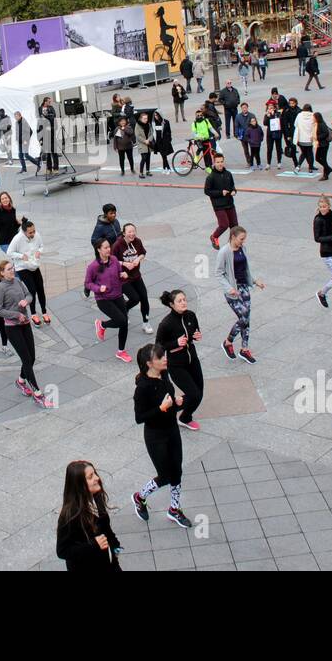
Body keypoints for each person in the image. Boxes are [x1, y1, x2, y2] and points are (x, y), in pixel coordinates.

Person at [131, 342, 192, 528]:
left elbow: (169, 402)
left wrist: (177, 402)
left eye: (164, 355)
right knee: (165, 475)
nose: (165, 358)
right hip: (155, 436)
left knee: (177, 471)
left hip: (172, 430)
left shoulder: (164, 375)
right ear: (150, 363)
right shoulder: (142, 388)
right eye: (160, 357)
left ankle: (174, 508)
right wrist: (161, 408)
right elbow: (140, 418)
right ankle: (140, 497)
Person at [0, 258, 49, 406]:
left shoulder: (18, 281)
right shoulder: (1, 288)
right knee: (26, 360)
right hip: (12, 327)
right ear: (1, 273)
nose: (12, 270)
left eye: (12, 268)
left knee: (32, 358)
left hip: (25, 324)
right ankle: (37, 393)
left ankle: (20, 381)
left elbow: (30, 294)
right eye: (8, 269)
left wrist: (27, 301)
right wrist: (16, 314)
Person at [56, 461, 122, 572]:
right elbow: (63, 550)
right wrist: (93, 545)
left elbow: (105, 527)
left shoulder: (96, 497)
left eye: (95, 473)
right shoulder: (70, 514)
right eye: (90, 477)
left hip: (108, 563)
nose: (97, 478)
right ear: (79, 485)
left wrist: (115, 545)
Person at [215, 225, 263, 364]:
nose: (243, 241)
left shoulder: (243, 249)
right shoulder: (224, 252)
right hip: (233, 291)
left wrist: (254, 282)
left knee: (246, 319)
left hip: (244, 288)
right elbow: (218, 273)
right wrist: (229, 288)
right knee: (243, 318)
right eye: (241, 239)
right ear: (233, 237)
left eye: (244, 239)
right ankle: (228, 342)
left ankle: (244, 349)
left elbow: (245, 269)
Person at [156, 289, 203, 431]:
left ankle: (184, 417)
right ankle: (166, 410)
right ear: (172, 304)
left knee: (199, 393)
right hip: (176, 365)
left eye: (184, 299)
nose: (183, 303)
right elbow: (158, 346)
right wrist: (175, 343)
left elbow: (195, 332)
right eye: (179, 301)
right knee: (193, 394)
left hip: (192, 360)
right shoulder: (166, 324)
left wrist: (196, 336)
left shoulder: (191, 315)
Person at [85, 238, 131, 363]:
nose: (108, 249)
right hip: (103, 299)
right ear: (98, 249)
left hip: (117, 295)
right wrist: (99, 288)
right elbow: (88, 283)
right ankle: (102, 324)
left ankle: (121, 351)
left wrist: (123, 276)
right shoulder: (93, 266)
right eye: (105, 247)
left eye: (109, 247)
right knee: (121, 320)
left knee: (124, 322)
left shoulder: (115, 260)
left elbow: (119, 276)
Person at [7, 217, 50, 325]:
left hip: (34, 265)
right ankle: (34, 314)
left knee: (40, 287)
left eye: (34, 231)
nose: (33, 234)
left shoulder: (36, 235)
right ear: (24, 232)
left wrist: (39, 252)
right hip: (22, 267)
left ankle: (44, 312)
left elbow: (41, 246)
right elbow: (9, 252)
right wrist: (21, 256)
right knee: (32, 290)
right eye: (30, 233)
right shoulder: (17, 239)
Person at [113, 223, 152, 335]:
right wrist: (125, 263)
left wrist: (138, 259)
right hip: (123, 277)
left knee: (144, 297)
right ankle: (124, 310)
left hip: (136, 275)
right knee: (135, 299)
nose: (132, 234)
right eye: (129, 232)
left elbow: (143, 253)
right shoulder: (117, 245)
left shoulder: (137, 241)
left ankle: (146, 322)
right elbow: (112, 261)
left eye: (133, 231)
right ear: (124, 233)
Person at [204, 152, 238, 250]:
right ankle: (214, 236)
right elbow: (207, 191)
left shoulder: (228, 174)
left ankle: (233, 245)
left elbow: (232, 186)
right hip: (218, 206)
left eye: (221, 162)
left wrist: (234, 191)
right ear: (214, 163)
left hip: (229, 203)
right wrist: (220, 193)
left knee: (234, 226)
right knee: (224, 225)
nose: (220, 164)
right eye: (218, 162)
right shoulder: (211, 177)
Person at [292, 101, 317, 174]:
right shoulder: (313, 116)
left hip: (300, 139)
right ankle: (310, 167)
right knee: (309, 153)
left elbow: (295, 124)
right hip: (309, 139)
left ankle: (298, 166)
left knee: (304, 153)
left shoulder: (299, 115)